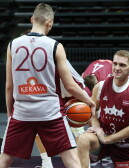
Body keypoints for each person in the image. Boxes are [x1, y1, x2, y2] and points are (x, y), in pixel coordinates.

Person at [0, 3, 95, 168]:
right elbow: (70, 86)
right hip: (50, 113)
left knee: (4, 161)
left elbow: (9, 86)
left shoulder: (12, 45)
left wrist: (11, 114)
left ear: (31, 19)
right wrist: (90, 101)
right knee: (72, 161)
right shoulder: (55, 46)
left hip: (22, 112)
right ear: (49, 22)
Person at [77, 50, 129, 168]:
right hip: (101, 138)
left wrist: (107, 139)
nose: (117, 68)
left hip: (125, 146)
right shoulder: (100, 86)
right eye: (115, 64)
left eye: (122, 65)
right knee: (82, 139)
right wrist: (95, 127)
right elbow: (92, 113)